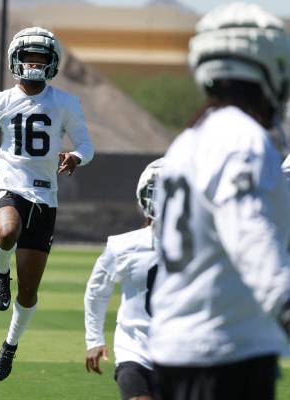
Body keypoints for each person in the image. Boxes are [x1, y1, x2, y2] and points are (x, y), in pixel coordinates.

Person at [148, 3, 290, 400]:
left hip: (177, 347)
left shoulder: (188, 141)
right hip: (224, 355)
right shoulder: (241, 138)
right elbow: (248, 232)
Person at [0, 27, 94, 381]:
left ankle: (9, 346)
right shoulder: (0, 99)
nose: (34, 63)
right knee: (7, 232)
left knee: (29, 292)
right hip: (10, 187)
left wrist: (76, 156)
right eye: (29, 57)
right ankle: (1, 273)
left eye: (41, 58)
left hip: (45, 197)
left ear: (52, 64)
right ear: (16, 60)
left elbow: (86, 145)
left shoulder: (66, 103)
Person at [84, 159, 163, 400]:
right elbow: (97, 290)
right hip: (134, 350)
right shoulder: (124, 245)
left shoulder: (204, 246)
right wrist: (94, 339)